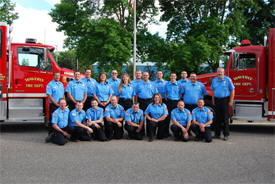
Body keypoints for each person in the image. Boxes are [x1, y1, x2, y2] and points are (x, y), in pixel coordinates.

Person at [211, 67, 235, 141]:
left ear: (224, 73)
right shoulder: (214, 80)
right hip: (217, 100)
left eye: (221, 72)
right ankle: (217, 134)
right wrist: (213, 101)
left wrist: (231, 101)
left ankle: (226, 134)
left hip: (225, 100)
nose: (219, 73)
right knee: (217, 118)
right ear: (216, 73)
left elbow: (232, 90)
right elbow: (212, 91)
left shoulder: (228, 80)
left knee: (225, 118)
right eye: (218, 72)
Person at [45, 71, 65, 140]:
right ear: (53, 76)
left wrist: (64, 102)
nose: (57, 77)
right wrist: (56, 104)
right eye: (56, 75)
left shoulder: (61, 84)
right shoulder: (50, 84)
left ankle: (59, 134)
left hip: (61, 105)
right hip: (54, 105)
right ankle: (50, 134)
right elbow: (49, 96)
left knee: (61, 119)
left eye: (58, 75)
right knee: (52, 120)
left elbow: (63, 94)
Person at [164, 73, 182, 138]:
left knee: (176, 117)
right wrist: (167, 100)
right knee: (167, 118)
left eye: (174, 76)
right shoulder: (167, 84)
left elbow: (180, 94)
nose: (173, 77)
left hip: (176, 102)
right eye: (171, 76)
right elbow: (165, 93)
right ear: (170, 77)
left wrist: (178, 101)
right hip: (169, 102)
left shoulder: (179, 84)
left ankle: (177, 132)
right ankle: (166, 132)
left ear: (176, 77)